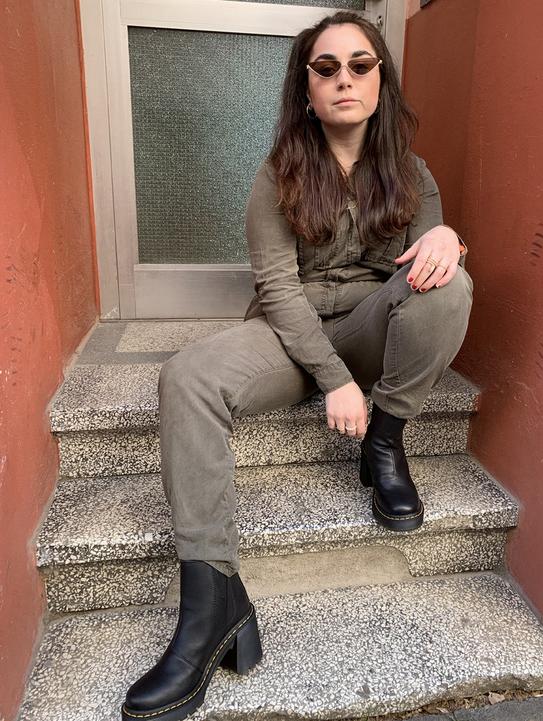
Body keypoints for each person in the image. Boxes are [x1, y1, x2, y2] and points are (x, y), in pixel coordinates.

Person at [121, 10, 473, 721]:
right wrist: (336, 380)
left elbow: (428, 266)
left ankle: (385, 441)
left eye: (361, 65)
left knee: (450, 284)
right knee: (186, 376)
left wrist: (446, 238)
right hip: (290, 331)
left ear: (380, 79)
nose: (345, 78)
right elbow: (279, 291)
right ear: (306, 87)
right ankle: (212, 602)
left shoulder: (412, 173)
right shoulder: (278, 173)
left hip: (372, 326)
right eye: (326, 67)